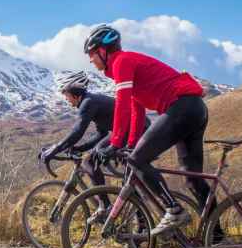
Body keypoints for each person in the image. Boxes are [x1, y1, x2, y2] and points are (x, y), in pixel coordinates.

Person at [83, 24, 216, 236]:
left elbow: (123, 105)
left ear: (103, 50)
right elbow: (137, 110)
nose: (90, 59)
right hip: (194, 109)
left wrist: (116, 143)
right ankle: (217, 241)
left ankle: (173, 210)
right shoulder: (124, 65)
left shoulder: (122, 62)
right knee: (193, 180)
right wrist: (130, 144)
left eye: (91, 54)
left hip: (181, 108)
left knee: (137, 160)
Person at [40, 71, 147, 218]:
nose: (67, 99)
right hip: (128, 132)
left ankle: (105, 206)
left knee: (89, 162)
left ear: (74, 92)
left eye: (66, 95)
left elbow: (77, 131)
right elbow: (100, 134)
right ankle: (135, 221)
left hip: (136, 131)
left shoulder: (88, 103)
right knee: (124, 179)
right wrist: (78, 148)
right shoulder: (92, 101)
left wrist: (54, 149)